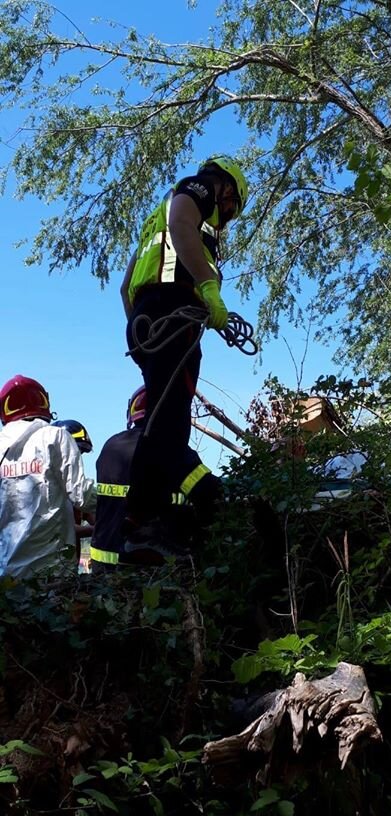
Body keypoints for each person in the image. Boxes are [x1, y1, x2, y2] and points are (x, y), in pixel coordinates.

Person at [120, 155, 248, 557]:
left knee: (163, 419)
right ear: (228, 188)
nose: (225, 218)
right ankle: (185, 512)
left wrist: (143, 332)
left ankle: (145, 523)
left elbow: (126, 286)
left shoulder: (150, 229)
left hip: (148, 320)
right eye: (232, 208)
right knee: (171, 422)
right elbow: (181, 223)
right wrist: (208, 287)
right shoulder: (201, 188)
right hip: (173, 315)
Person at [90, 386, 222, 569]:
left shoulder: (111, 447)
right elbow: (209, 492)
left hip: (103, 565)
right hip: (149, 568)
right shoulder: (172, 449)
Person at [0, 375, 96, 579]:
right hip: (54, 571)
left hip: (7, 573)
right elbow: (83, 496)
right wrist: (119, 508)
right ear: (44, 404)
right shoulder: (55, 436)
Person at [54, 419, 96, 562]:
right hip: (51, 565)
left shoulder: (77, 490)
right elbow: (62, 528)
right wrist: (97, 530)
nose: (77, 457)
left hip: (70, 564)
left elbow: (92, 516)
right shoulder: (50, 491)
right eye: (77, 451)